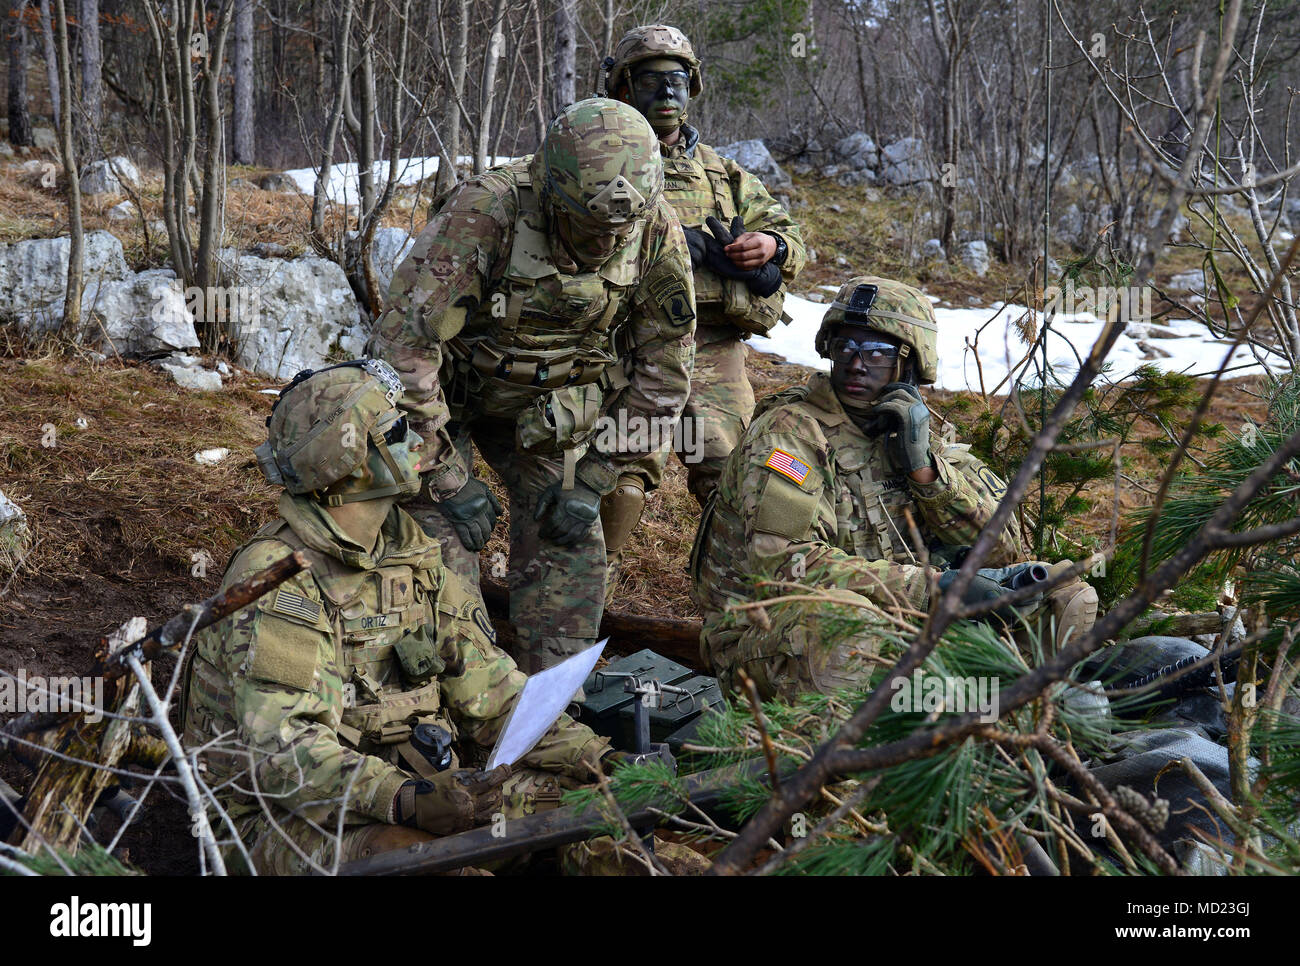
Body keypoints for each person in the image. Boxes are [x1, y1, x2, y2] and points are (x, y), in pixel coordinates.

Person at [180, 360, 614, 875]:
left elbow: (493, 693)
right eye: (397, 430)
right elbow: (285, 756)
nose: (420, 441)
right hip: (277, 821)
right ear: (355, 460)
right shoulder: (279, 581)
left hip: (419, 787)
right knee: (433, 865)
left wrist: (598, 758)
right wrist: (403, 798)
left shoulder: (411, 552)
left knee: (599, 817)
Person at [369, 98, 696, 679]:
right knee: (439, 553)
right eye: (588, 227)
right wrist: (444, 477)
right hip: (445, 403)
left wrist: (595, 479)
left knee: (571, 547)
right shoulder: (486, 211)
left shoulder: (653, 228)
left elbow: (665, 371)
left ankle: (548, 712)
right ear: (551, 191)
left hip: (547, 414)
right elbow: (402, 349)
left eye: (618, 230)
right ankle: (450, 700)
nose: (604, 245)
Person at [690, 276, 1099, 700]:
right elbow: (784, 566)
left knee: (1065, 595)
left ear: (910, 363)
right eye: (844, 346)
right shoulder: (790, 432)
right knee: (849, 621)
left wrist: (925, 472)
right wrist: (933, 589)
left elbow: (1004, 553)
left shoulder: (914, 428)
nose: (856, 363)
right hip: (770, 638)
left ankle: (1003, 721)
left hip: (901, 624)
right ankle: (836, 756)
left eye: (878, 353)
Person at [598, 26, 807, 582]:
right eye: (649, 81)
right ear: (624, 88)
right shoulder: (601, 155)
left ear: (692, 87)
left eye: (676, 81)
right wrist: (675, 242)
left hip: (714, 349)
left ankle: (737, 600)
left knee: (733, 476)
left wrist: (771, 246)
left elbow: (792, 239)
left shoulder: (722, 172)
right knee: (620, 471)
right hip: (630, 347)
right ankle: (586, 591)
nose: (666, 94)